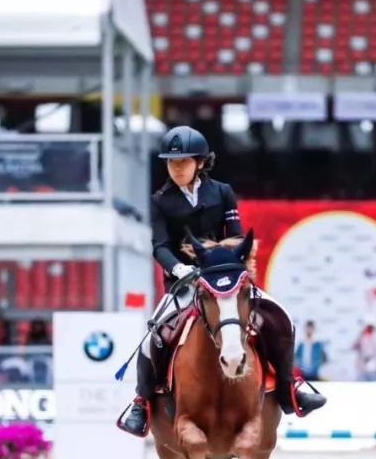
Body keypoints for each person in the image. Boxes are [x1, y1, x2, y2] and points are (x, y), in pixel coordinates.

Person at [117, 125, 326, 436]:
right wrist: (179, 269)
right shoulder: (161, 201)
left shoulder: (222, 191)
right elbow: (160, 246)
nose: (176, 169)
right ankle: (141, 402)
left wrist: (227, 264)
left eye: (183, 162)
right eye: (171, 163)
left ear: (200, 162)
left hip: (226, 276)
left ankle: (290, 387)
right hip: (185, 281)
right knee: (153, 337)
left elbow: (236, 236)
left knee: (280, 318)